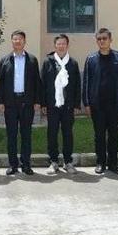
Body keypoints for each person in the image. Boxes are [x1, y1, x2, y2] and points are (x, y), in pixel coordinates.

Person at [82, 28, 118, 175]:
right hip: (97, 105)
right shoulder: (91, 59)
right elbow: (86, 82)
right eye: (99, 39)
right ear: (96, 41)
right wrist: (87, 103)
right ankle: (100, 163)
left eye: (104, 38)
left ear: (110, 40)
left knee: (114, 135)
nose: (102, 41)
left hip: (116, 104)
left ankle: (113, 163)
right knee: (99, 135)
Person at [0, 30, 41, 176]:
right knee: (11, 134)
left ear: (24, 41)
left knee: (26, 134)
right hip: (10, 103)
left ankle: (26, 164)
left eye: (20, 39)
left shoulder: (32, 60)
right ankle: (12, 165)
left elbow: (37, 82)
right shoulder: (5, 60)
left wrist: (37, 101)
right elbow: (1, 83)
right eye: (15, 39)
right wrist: (0, 101)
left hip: (27, 102)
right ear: (12, 41)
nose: (17, 41)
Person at [40, 34, 81, 175]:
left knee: (68, 133)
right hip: (52, 105)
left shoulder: (73, 63)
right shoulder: (48, 62)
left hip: (68, 105)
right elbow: (43, 84)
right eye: (59, 43)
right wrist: (43, 103)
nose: (61, 46)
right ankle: (53, 161)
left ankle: (68, 162)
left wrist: (77, 105)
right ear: (55, 46)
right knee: (52, 133)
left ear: (67, 45)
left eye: (64, 43)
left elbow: (77, 85)